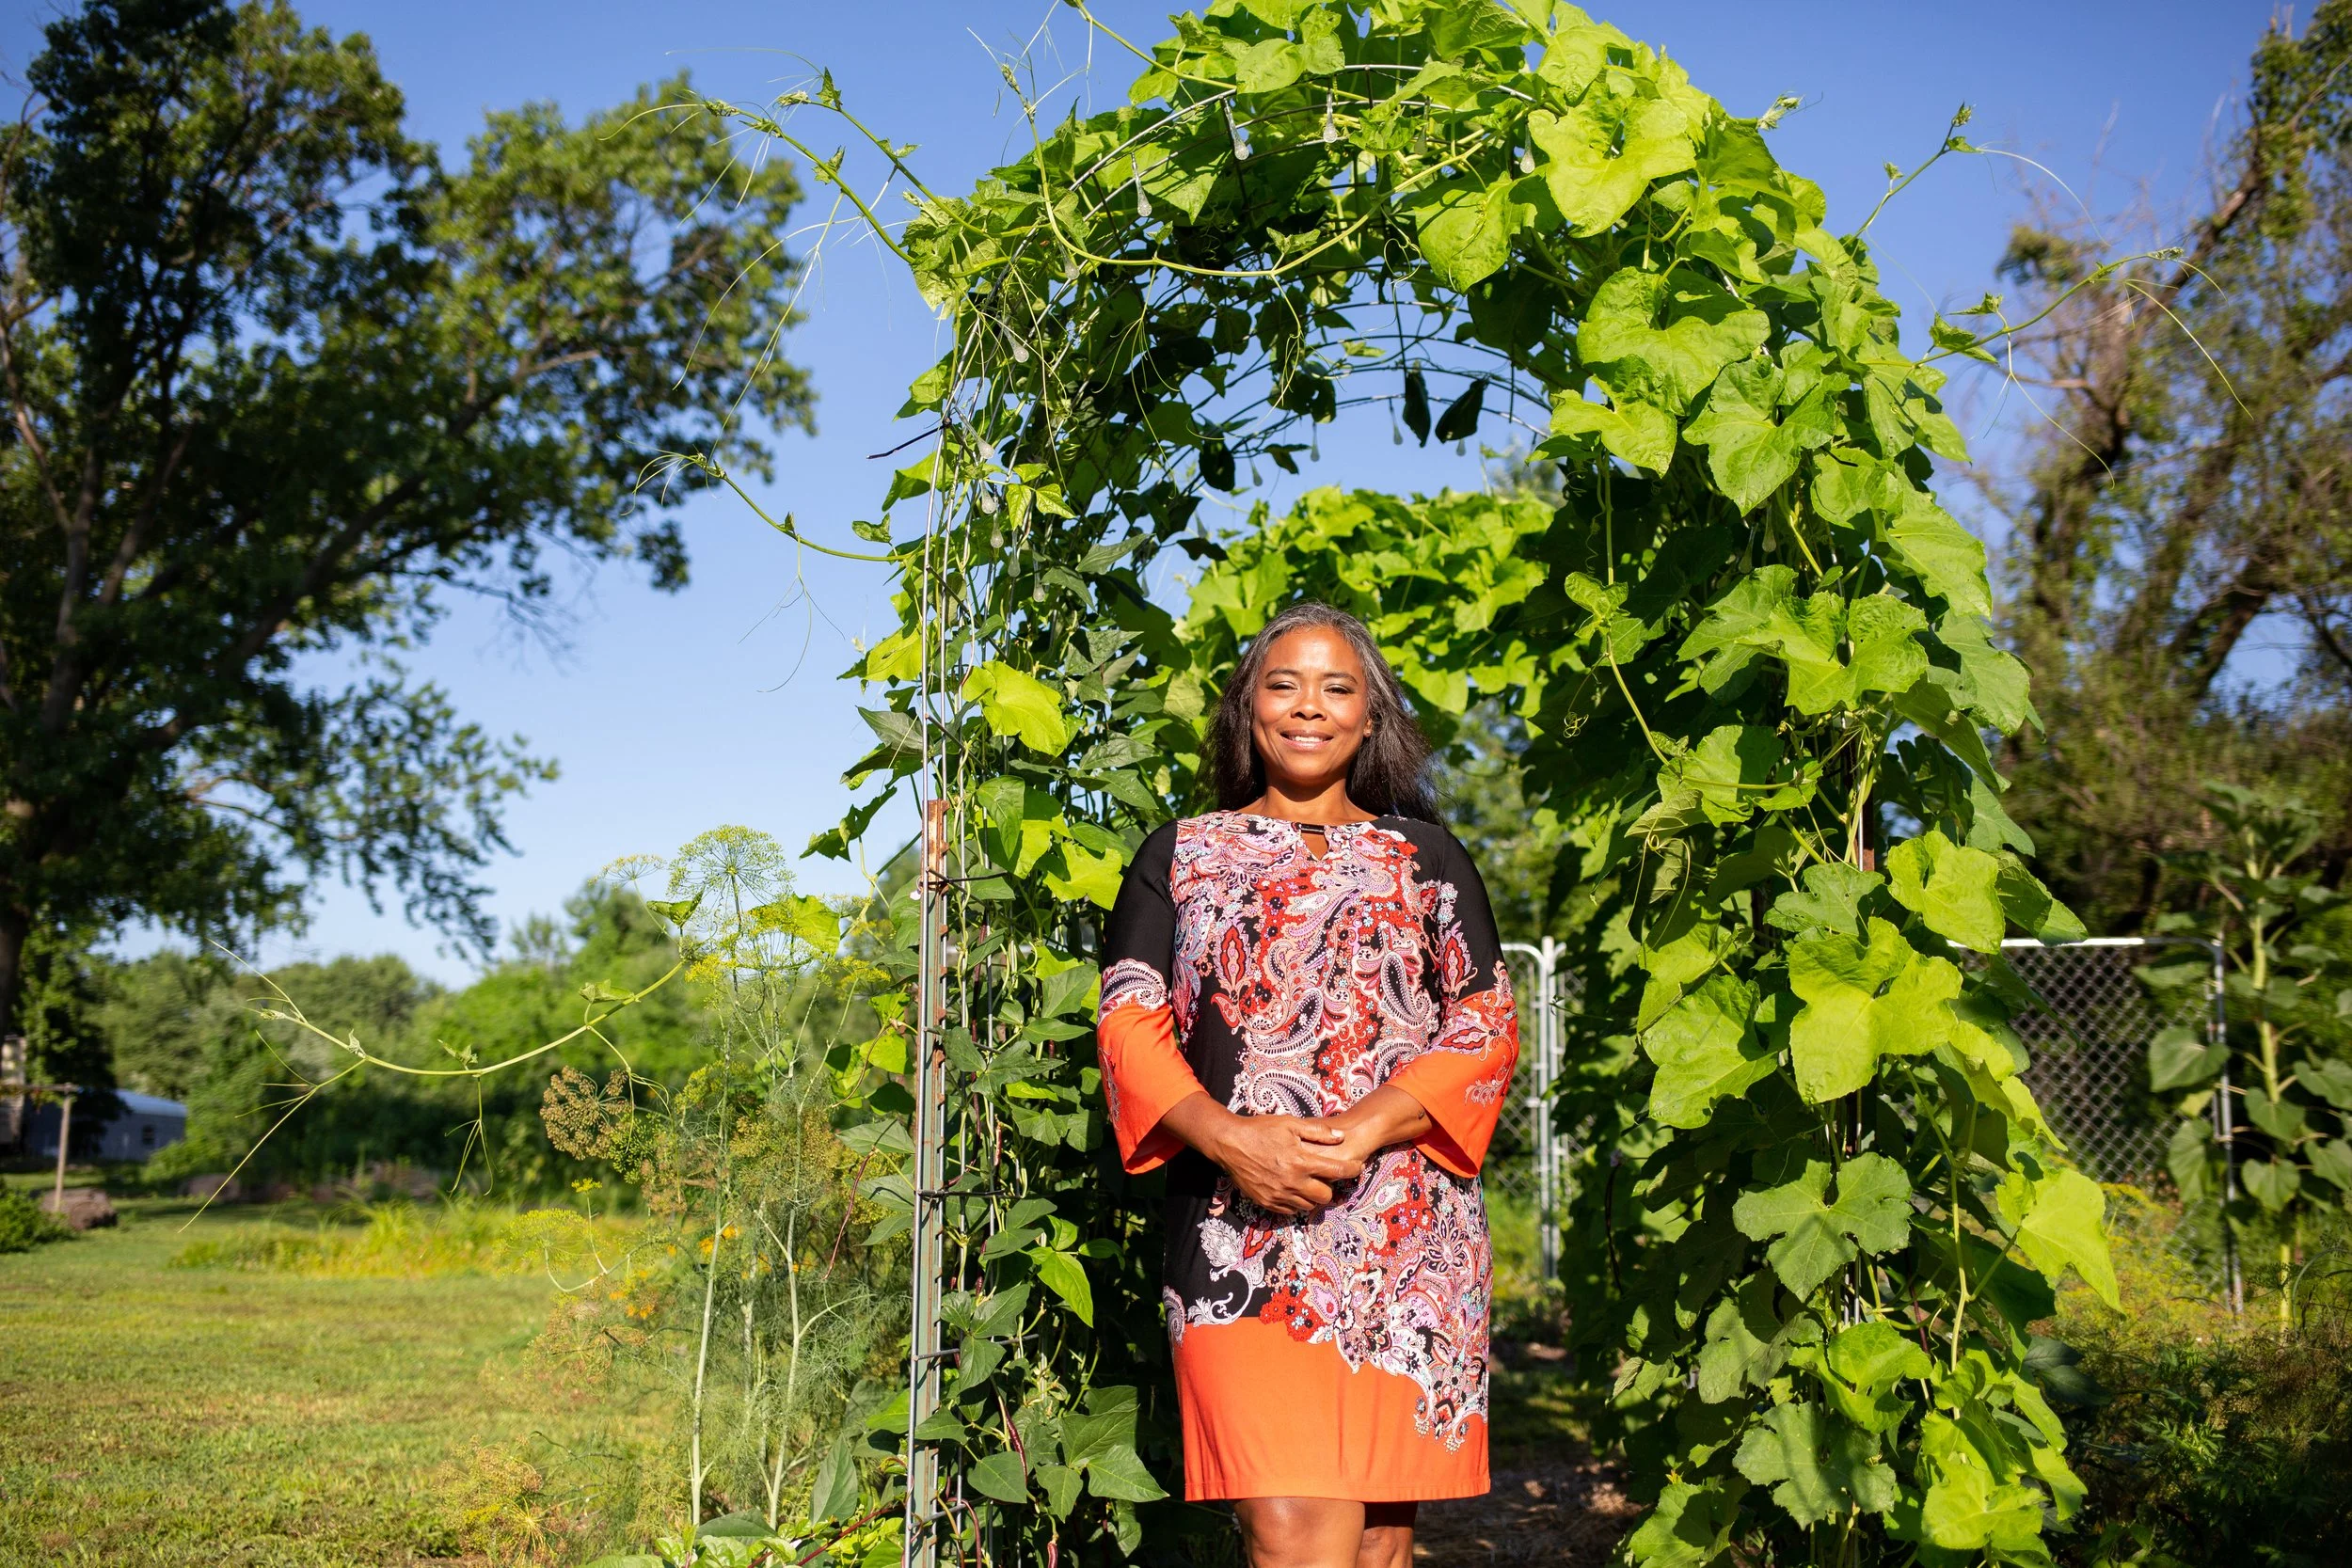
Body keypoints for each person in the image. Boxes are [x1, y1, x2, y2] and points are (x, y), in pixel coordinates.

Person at [1096, 602, 1520, 1568]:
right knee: (1288, 1528)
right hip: (1232, 1226)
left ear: (1372, 717)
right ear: (1245, 708)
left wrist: (1361, 1129)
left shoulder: (1429, 856)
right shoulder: (1179, 853)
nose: (1308, 707)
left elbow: (1485, 1022)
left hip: (1410, 1238)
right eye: (1282, 683)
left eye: (1338, 688)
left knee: (1376, 1539)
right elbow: (1128, 1016)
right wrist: (1231, 1138)